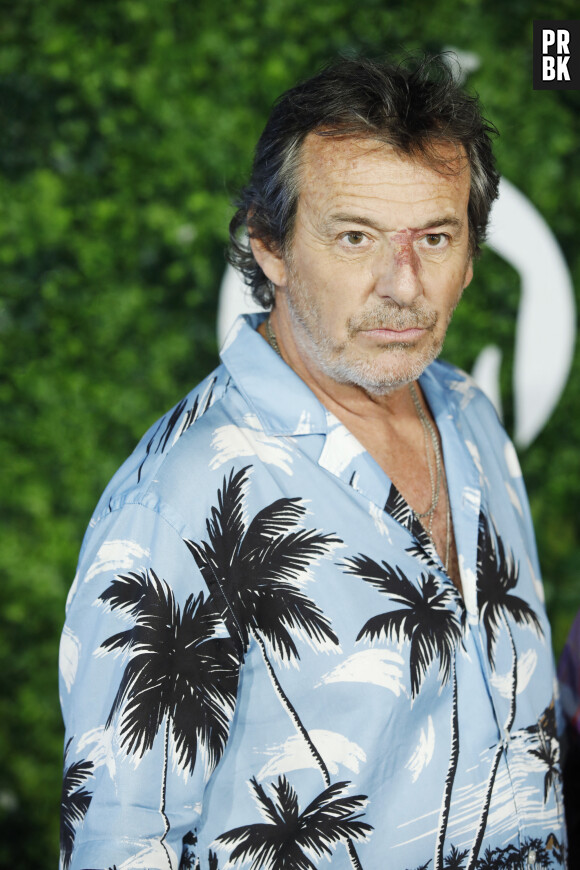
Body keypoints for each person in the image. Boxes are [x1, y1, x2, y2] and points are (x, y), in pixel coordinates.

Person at [59, 56, 567, 870]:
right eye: (355, 236)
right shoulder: (179, 501)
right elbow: (121, 843)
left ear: (471, 255)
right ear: (270, 245)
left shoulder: (472, 417)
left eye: (434, 238)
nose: (403, 286)